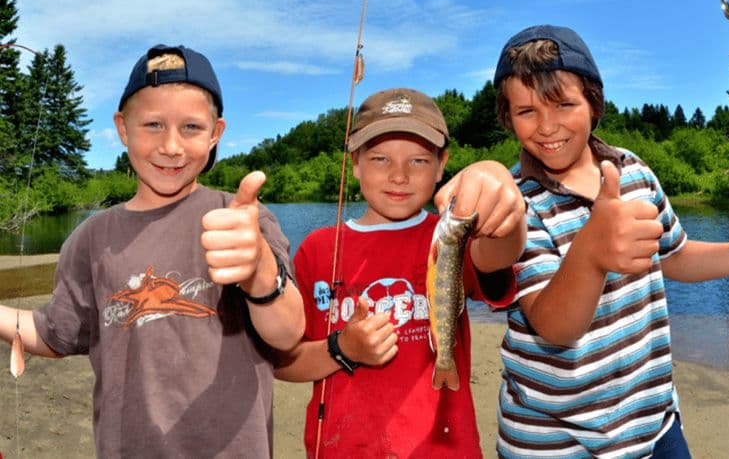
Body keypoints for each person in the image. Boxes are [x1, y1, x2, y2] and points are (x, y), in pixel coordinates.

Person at [491, 24, 729, 458]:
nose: (547, 126)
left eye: (564, 104)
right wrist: (592, 253)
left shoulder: (632, 170)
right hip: (554, 443)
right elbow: (554, 328)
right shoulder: (514, 201)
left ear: (593, 104)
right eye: (526, 111)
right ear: (507, 117)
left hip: (654, 425)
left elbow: (675, 255)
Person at [0, 44, 305, 457]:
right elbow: (54, 333)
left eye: (192, 128)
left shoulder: (243, 221)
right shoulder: (91, 239)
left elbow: (287, 334)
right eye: (153, 125)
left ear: (216, 132)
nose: (172, 146)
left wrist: (259, 272)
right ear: (123, 128)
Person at [274, 87, 527, 458]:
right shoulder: (317, 249)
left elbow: (501, 251)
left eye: (419, 161)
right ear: (355, 162)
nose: (398, 175)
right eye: (379, 159)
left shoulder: (450, 236)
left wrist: (502, 192)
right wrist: (343, 349)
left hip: (443, 448)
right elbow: (285, 362)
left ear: (442, 165)